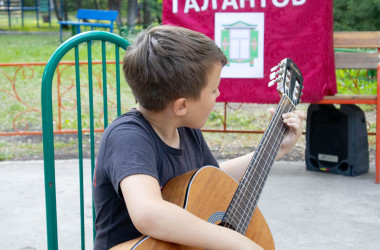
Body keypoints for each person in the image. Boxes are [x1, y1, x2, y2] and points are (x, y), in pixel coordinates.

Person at [93, 25, 305, 250]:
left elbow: (209, 181)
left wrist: (273, 150)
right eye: (213, 90)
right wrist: (239, 243)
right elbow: (149, 213)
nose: (218, 95)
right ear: (182, 105)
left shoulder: (184, 128)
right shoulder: (128, 138)